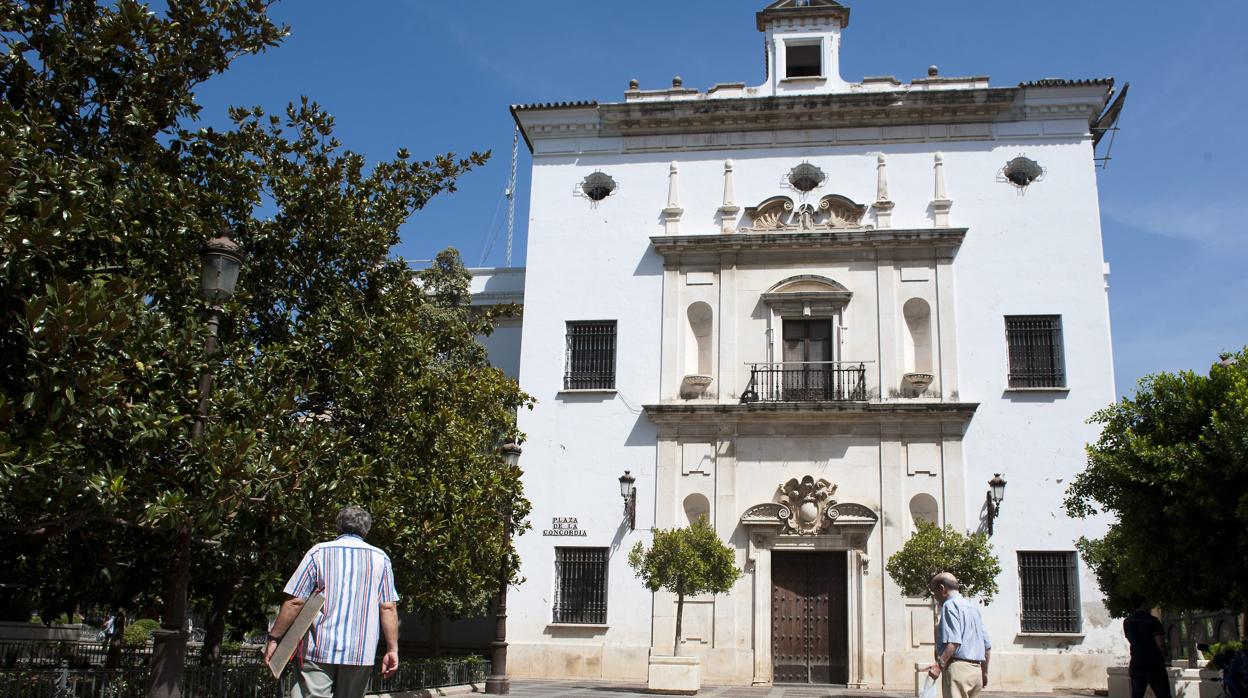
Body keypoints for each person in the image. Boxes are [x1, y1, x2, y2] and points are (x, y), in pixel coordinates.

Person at [264, 506, 400, 698]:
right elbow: (388, 606)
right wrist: (392, 649)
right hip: (360, 652)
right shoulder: (381, 558)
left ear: (338, 526)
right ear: (366, 530)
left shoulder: (318, 552)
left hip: (319, 648)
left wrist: (274, 638)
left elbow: (296, 600)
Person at [926, 572, 991, 698]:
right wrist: (984, 673)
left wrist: (938, 666)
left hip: (958, 670)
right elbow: (987, 646)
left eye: (934, 593)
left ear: (942, 589)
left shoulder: (949, 605)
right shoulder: (973, 608)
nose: (935, 597)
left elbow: (954, 641)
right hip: (976, 671)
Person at [1123, 595, 1171, 698]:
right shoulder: (1153, 621)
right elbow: (1160, 643)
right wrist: (1164, 655)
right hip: (1154, 663)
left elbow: (1131, 639)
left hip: (1136, 662)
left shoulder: (1127, 622)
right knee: (1163, 694)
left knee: (1137, 694)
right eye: (1147, 603)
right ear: (1143, 604)